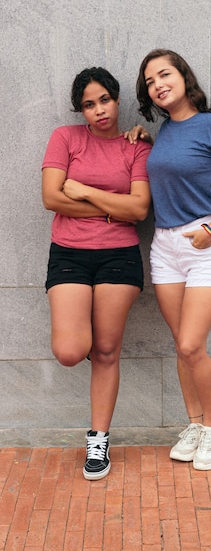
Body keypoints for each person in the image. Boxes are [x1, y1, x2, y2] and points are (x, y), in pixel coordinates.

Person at [129, 49, 211, 470]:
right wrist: (145, 140)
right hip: (165, 248)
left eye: (164, 74)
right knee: (183, 348)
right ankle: (195, 424)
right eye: (149, 81)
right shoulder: (162, 132)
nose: (158, 84)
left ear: (184, 77)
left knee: (190, 343)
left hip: (205, 244)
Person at [42, 67, 152, 480]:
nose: (98, 110)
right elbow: (51, 197)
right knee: (71, 351)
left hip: (119, 256)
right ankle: (84, 328)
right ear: (80, 110)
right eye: (89, 104)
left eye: (104, 100)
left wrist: (85, 191)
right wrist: (113, 209)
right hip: (69, 253)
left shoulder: (136, 148)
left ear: (117, 98)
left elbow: (139, 210)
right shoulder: (66, 138)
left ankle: (98, 440)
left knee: (106, 352)